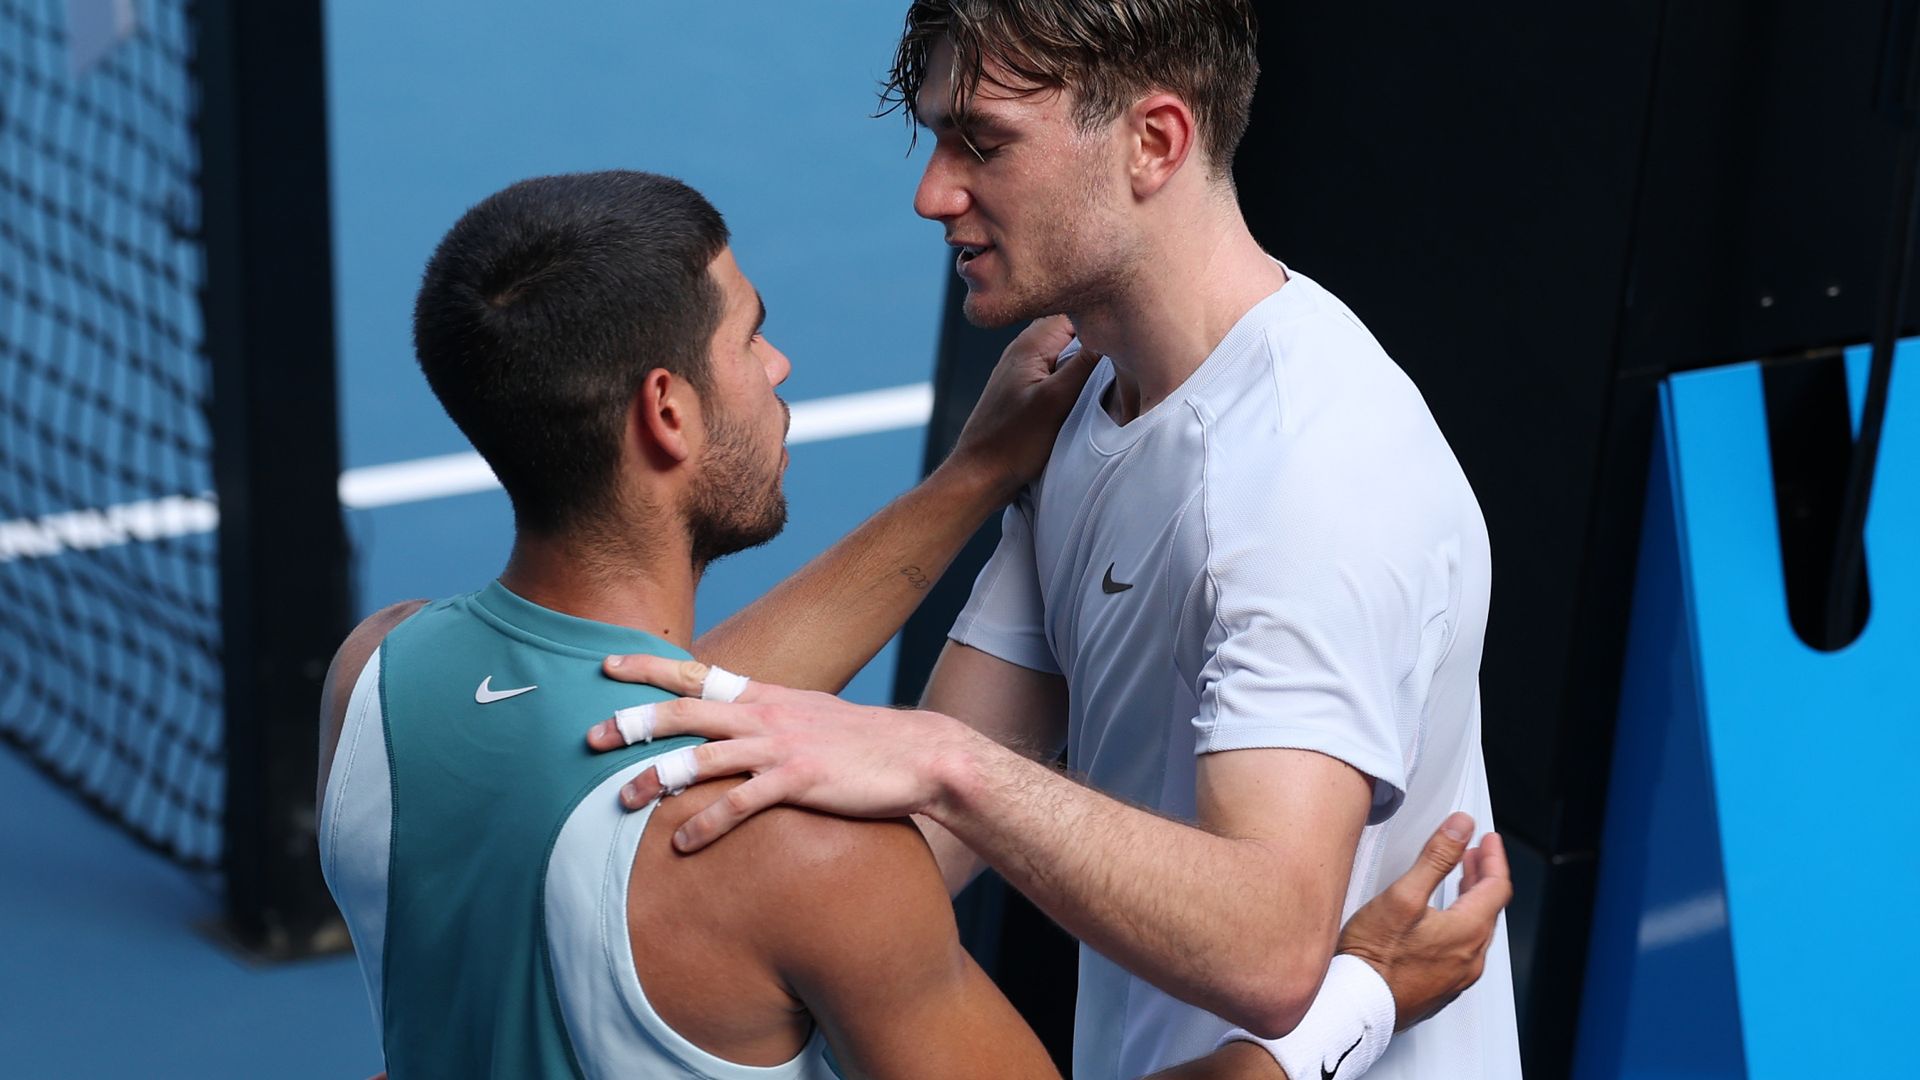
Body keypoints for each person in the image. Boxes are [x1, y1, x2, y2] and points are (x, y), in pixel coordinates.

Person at [319, 170, 1508, 1079]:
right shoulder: (803, 857)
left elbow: (618, 711)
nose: (779, 366)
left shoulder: (375, 682)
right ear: (667, 413)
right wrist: (1363, 999)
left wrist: (974, 476)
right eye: (749, 336)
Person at [582, 3, 1525, 1078]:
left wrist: (939, 765)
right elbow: (926, 841)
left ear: (1153, 143)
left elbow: (1268, 948)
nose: (933, 194)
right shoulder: (1094, 406)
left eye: (982, 143)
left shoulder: (1310, 480)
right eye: (938, 138)